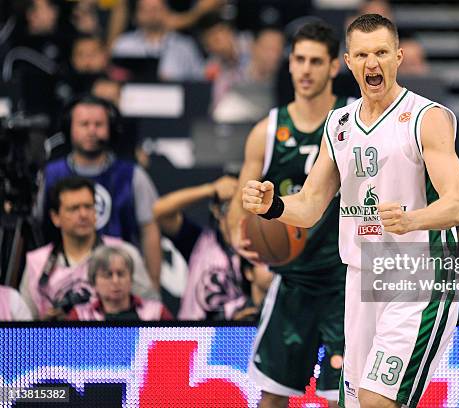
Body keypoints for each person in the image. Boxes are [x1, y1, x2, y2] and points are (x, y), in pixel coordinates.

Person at [242, 14, 459, 408]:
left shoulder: (426, 118)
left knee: (376, 400)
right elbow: (311, 205)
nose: (372, 63)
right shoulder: (339, 124)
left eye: (381, 52)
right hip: (361, 276)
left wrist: (411, 219)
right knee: (357, 404)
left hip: (417, 273)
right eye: (362, 55)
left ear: (398, 57)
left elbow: (456, 204)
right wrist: (273, 205)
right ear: (349, 62)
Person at [228, 20, 349, 408]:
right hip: (292, 278)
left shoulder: (354, 122)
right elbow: (239, 200)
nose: (306, 69)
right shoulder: (267, 130)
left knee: (341, 399)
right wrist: (246, 247)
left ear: (334, 66)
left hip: (344, 278)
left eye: (316, 60)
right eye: (299, 59)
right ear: (290, 64)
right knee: (272, 397)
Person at [36, 94, 162, 290]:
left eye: (98, 124)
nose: (92, 131)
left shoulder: (132, 175)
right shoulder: (49, 174)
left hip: (119, 284)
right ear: (70, 128)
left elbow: (150, 230)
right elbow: (33, 224)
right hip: (60, 282)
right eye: (84, 124)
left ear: (110, 129)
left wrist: (153, 286)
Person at [22, 176, 158, 320]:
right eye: (73, 209)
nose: (83, 214)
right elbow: (22, 322)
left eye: (88, 206)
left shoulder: (124, 252)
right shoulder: (37, 262)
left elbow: (151, 309)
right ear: (55, 217)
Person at [153, 175, 248, 321]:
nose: (234, 215)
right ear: (216, 210)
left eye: (240, 207)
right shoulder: (199, 241)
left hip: (239, 334)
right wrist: (210, 190)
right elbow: (159, 211)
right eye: (228, 207)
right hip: (196, 333)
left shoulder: (259, 245)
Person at [67, 245, 172, 321]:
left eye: (121, 274)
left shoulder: (157, 313)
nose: (115, 281)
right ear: (94, 282)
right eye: (107, 275)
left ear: (131, 279)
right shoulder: (80, 316)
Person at [111, 0, 204, 81]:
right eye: (146, 10)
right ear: (136, 14)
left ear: (167, 11)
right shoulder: (123, 45)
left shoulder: (185, 46)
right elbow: (114, 78)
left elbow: (199, 79)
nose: (151, 14)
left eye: (156, 9)